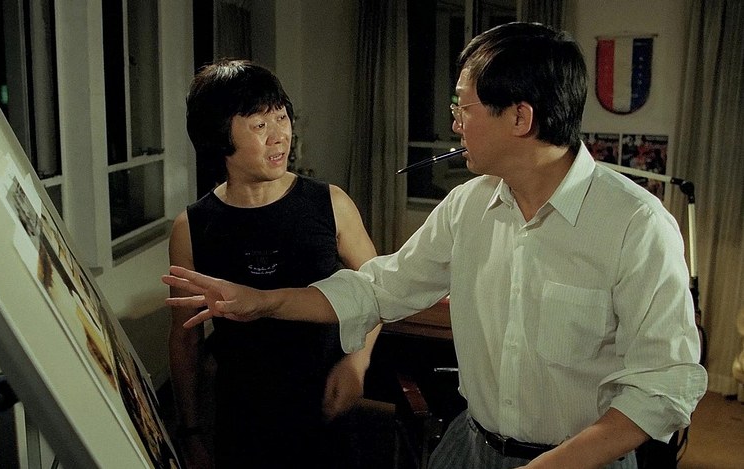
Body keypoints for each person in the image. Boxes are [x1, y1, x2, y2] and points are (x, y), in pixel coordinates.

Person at [163, 23, 707, 469]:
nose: (453, 124)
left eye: (464, 108)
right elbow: (381, 287)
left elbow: (665, 386)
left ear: (520, 117)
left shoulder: (637, 226)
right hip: (469, 447)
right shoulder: (469, 205)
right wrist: (263, 301)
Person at [167, 59, 379, 469]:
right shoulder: (191, 227)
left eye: (281, 117)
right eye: (260, 125)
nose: (279, 135)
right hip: (242, 417)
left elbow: (378, 290)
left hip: (325, 405)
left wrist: (357, 363)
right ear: (219, 134)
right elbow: (185, 339)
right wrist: (189, 430)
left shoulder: (331, 203)